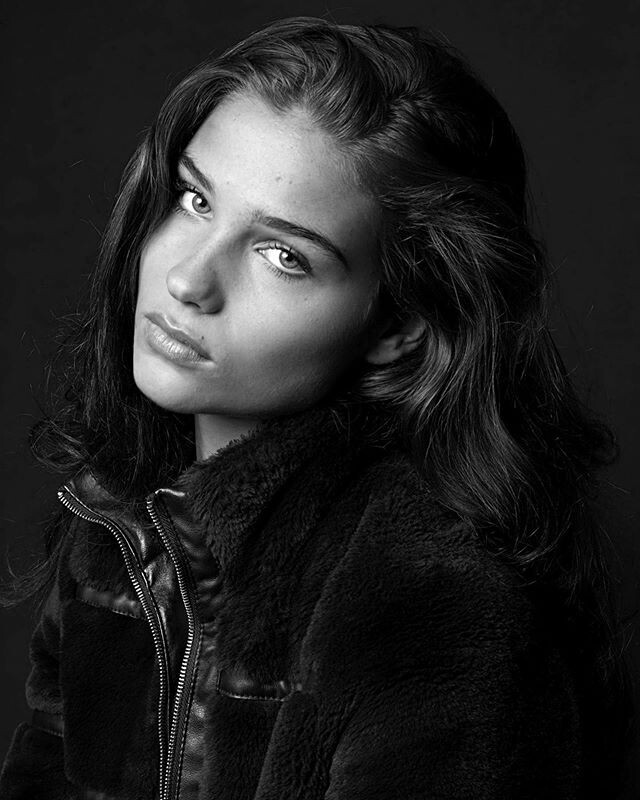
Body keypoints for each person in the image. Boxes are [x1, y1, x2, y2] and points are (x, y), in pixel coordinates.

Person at [0, 15, 633, 800]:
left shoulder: (425, 598)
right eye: (195, 199)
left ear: (400, 327)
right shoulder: (118, 517)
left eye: (283, 255)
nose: (188, 280)